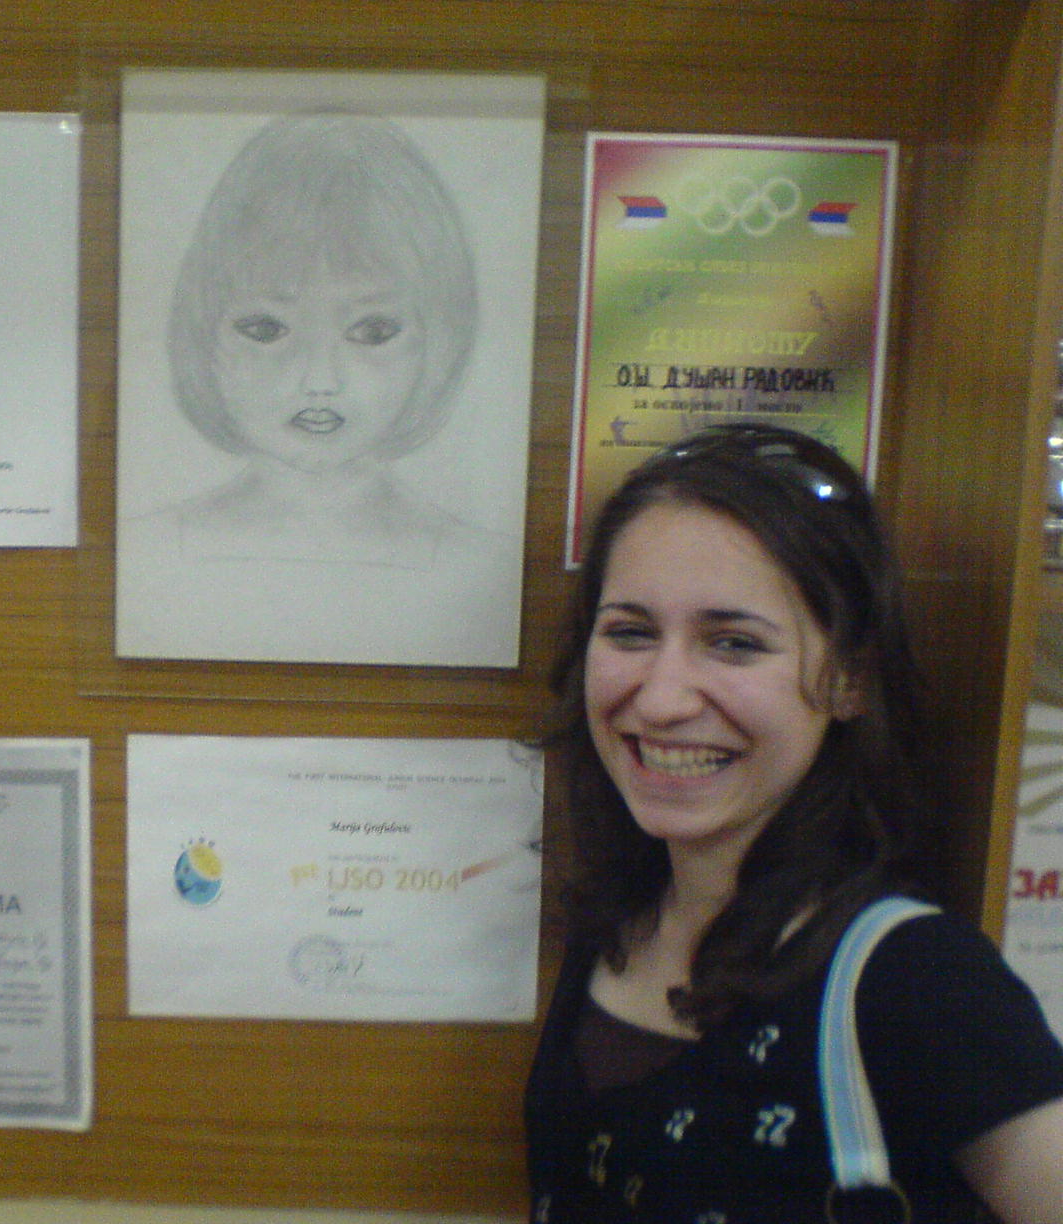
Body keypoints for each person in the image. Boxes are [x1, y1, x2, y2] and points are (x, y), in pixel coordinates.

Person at [524, 423, 1063, 1222]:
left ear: (848, 679)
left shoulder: (919, 979)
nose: (662, 699)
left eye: (734, 643)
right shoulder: (618, 924)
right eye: (630, 632)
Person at [115, 109, 522, 667]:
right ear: (202, 331)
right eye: (267, 330)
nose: (320, 381)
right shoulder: (144, 552)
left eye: (372, 332)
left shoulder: (485, 568)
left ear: (441, 339)